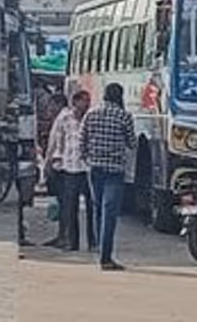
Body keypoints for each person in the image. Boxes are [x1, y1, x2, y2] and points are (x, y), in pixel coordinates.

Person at [80, 83, 135, 271]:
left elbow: (82, 140)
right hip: (115, 170)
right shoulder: (124, 116)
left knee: (97, 210)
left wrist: (88, 158)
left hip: (94, 169)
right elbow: (132, 143)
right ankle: (105, 257)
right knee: (109, 214)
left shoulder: (91, 113)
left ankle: (99, 250)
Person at [44, 89, 93, 251]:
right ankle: (72, 242)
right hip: (70, 168)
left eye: (88, 101)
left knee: (92, 207)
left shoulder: (91, 117)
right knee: (70, 208)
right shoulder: (64, 118)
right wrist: (50, 162)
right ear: (75, 102)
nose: (86, 104)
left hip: (88, 168)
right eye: (83, 101)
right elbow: (56, 141)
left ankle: (93, 241)